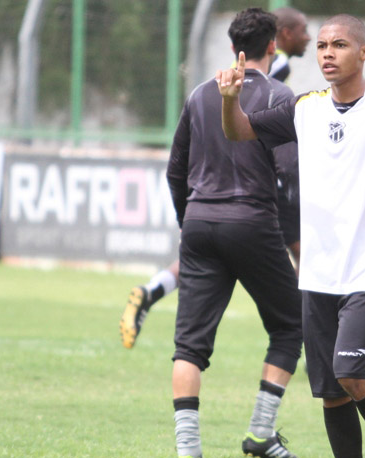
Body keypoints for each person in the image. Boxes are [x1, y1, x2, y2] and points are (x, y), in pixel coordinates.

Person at [218, 14, 365, 458]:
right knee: (332, 395)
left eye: (339, 45)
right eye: (321, 46)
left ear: (364, 53)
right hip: (317, 271)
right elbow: (240, 131)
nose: (328, 53)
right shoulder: (303, 108)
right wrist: (229, 98)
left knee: (351, 373)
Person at [119, 8, 307, 349]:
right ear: (279, 39)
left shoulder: (203, 90)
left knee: (209, 257)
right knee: (305, 257)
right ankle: (314, 341)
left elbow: (177, 168)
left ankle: (152, 289)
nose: (310, 38)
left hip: (211, 200)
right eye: (305, 32)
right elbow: (263, 115)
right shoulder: (273, 71)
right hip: (260, 184)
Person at [165, 7, 303, 458]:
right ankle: (261, 433)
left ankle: (188, 452)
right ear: (273, 46)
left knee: (189, 345)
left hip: (201, 223)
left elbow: (175, 171)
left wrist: (192, 223)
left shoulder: (199, 95)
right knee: (291, 325)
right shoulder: (281, 96)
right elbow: (289, 175)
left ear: (232, 48)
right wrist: (294, 241)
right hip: (253, 223)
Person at [268, 7, 311, 83]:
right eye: (304, 31)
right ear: (287, 33)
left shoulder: (270, 59)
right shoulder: (279, 62)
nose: (308, 38)